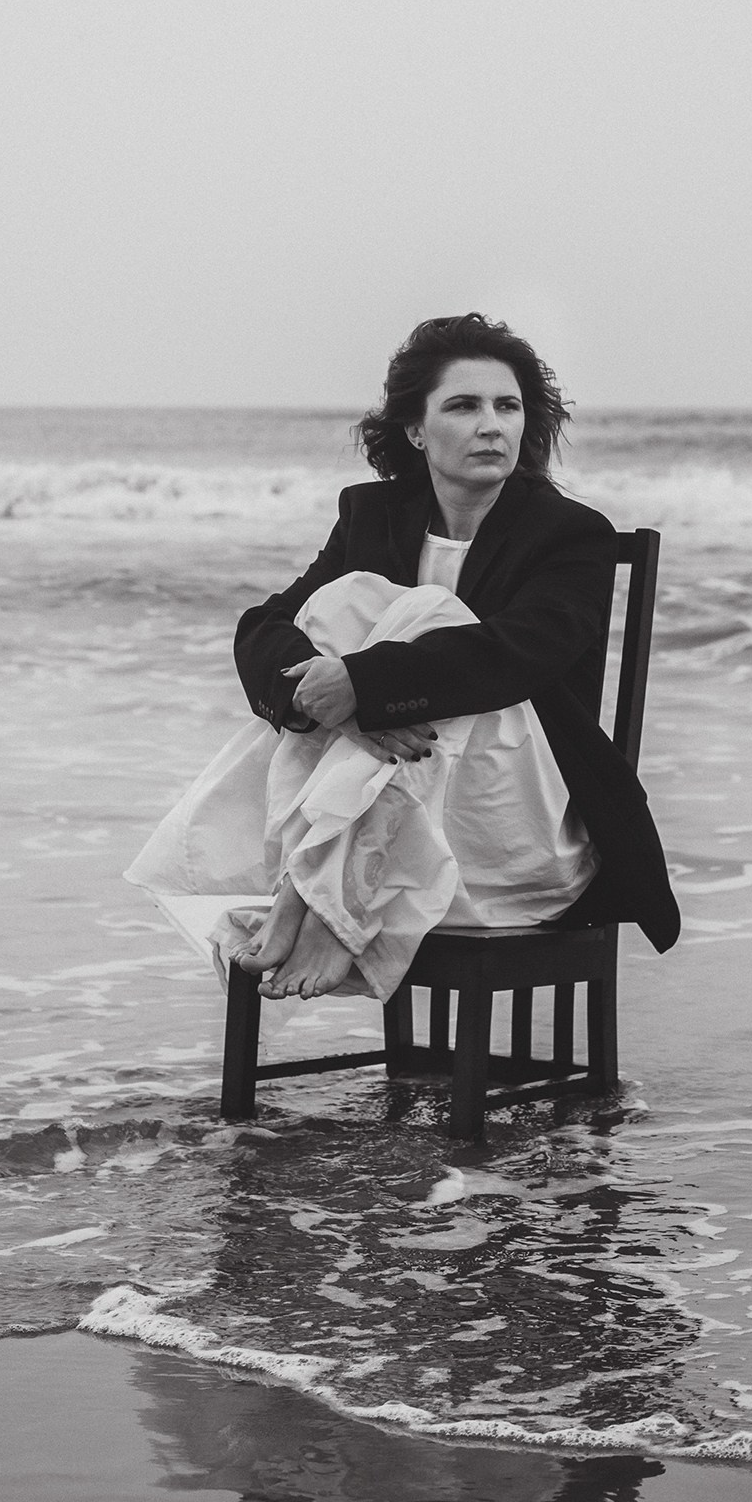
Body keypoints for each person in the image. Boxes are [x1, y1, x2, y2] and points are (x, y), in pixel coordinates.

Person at [225, 312, 680, 1001]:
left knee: (432, 615)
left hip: (514, 835)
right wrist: (341, 707)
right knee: (342, 603)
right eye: (464, 406)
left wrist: (364, 687)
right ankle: (320, 892)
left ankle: (314, 891)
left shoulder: (568, 533)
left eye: (507, 406)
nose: (491, 425)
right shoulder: (373, 517)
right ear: (416, 429)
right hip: (406, 835)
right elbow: (264, 628)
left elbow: (517, 655)